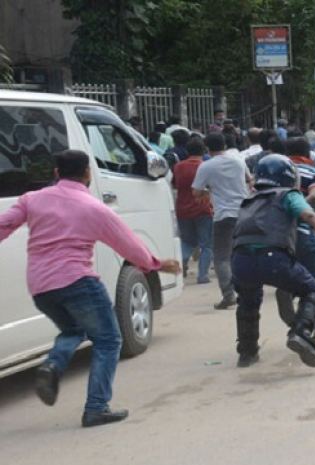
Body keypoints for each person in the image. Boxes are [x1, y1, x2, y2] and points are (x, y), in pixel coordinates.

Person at [0, 150, 181, 427]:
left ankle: (53, 364)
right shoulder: (95, 208)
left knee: (73, 329)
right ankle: (96, 407)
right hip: (77, 281)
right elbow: (128, 244)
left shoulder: (31, 199)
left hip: (40, 286)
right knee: (109, 340)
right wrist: (154, 264)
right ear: (87, 175)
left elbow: (4, 225)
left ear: (57, 173)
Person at [232, 154, 315, 368]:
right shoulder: (288, 195)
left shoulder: (249, 199)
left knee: (248, 303)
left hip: (241, 260)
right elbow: (311, 217)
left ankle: (247, 353)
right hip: (273, 259)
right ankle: (300, 332)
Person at [276, 137, 315, 348]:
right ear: (308, 154)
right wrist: (303, 205)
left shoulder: (275, 173)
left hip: (276, 236)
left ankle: (286, 289)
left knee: (292, 272)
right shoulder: (313, 173)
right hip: (304, 233)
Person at [192, 133, 250, 309]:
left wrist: (208, 190)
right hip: (244, 212)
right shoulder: (238, 161)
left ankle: (228, 294)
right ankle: (248, 291)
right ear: (224, 145)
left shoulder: (206, 166)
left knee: (221, 258)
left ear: (207, 149)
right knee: (241, 254)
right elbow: (249, 180)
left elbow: (195, 191)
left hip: (223, 215)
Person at [173, 137, 213, 284]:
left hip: (182, 209)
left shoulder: (178, 166)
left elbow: (175, 185)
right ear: (203, 151)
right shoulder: (205, 166)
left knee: (187, 242)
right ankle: (202, 276)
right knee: (206, 245)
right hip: (203, 208)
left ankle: (181, 263)